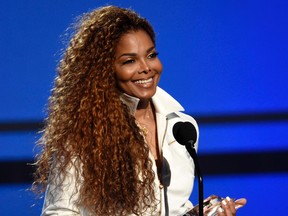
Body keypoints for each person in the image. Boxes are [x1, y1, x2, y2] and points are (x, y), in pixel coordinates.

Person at [33, 5, 246, 216]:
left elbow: (174, 205)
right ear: (104, 70)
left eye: (151, 55)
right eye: (129, 61)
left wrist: (195, 214)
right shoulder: (82, 135)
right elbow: (58, 212)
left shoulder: (182, 127)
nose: (146, 67)